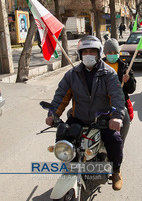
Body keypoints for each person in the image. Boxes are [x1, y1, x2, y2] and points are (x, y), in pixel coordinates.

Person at [45, 36, 127, 191]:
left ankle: (116, 171)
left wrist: (116, 117)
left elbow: (117, 96)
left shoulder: (108, 73)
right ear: (80, 54)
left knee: (115, 140)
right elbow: (61, 96)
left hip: (103, 120)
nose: (88, 54)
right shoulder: (72, 74)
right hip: (79, 118)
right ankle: (70, 166)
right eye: (85, 52)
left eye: (92, 51)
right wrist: (53, 114)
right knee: (62, 136)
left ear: (98, 53)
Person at [103, 38, 136, 142]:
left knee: (125, 120)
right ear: (105, 53)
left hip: (120, 103)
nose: (113, 55)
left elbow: (131, 89)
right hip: (101, 102)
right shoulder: (98, 66)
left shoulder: (125, 68)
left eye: (115, 52)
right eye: (110, 52)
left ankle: (120, 145)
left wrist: (128, 80)